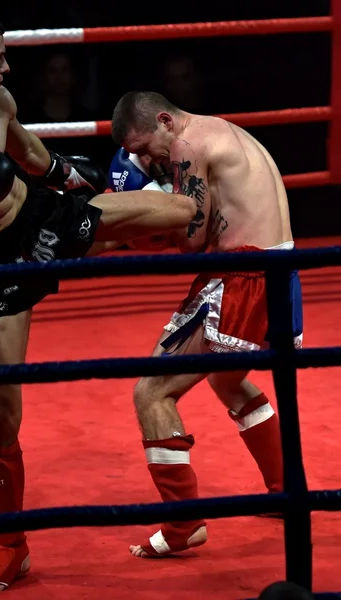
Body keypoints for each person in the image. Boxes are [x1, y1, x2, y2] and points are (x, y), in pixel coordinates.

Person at [0, 14, 196, 593]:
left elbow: (28, 151)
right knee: (1, 413)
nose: (8, 67)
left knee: (181, 211)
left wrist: (64, 173)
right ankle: (12, 546)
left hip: (41, 224)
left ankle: (241, 288)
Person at [110, 91, 303, 558]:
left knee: (151, 392)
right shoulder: (220, 129)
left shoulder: (187, 146)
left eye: (141, 146)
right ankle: (285, 492)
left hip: (244, 278)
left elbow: (191, 240)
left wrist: (139, 213)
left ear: (164, 121)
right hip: (281, 271)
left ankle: (184, 525)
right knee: (226, 379)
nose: (140, 157)